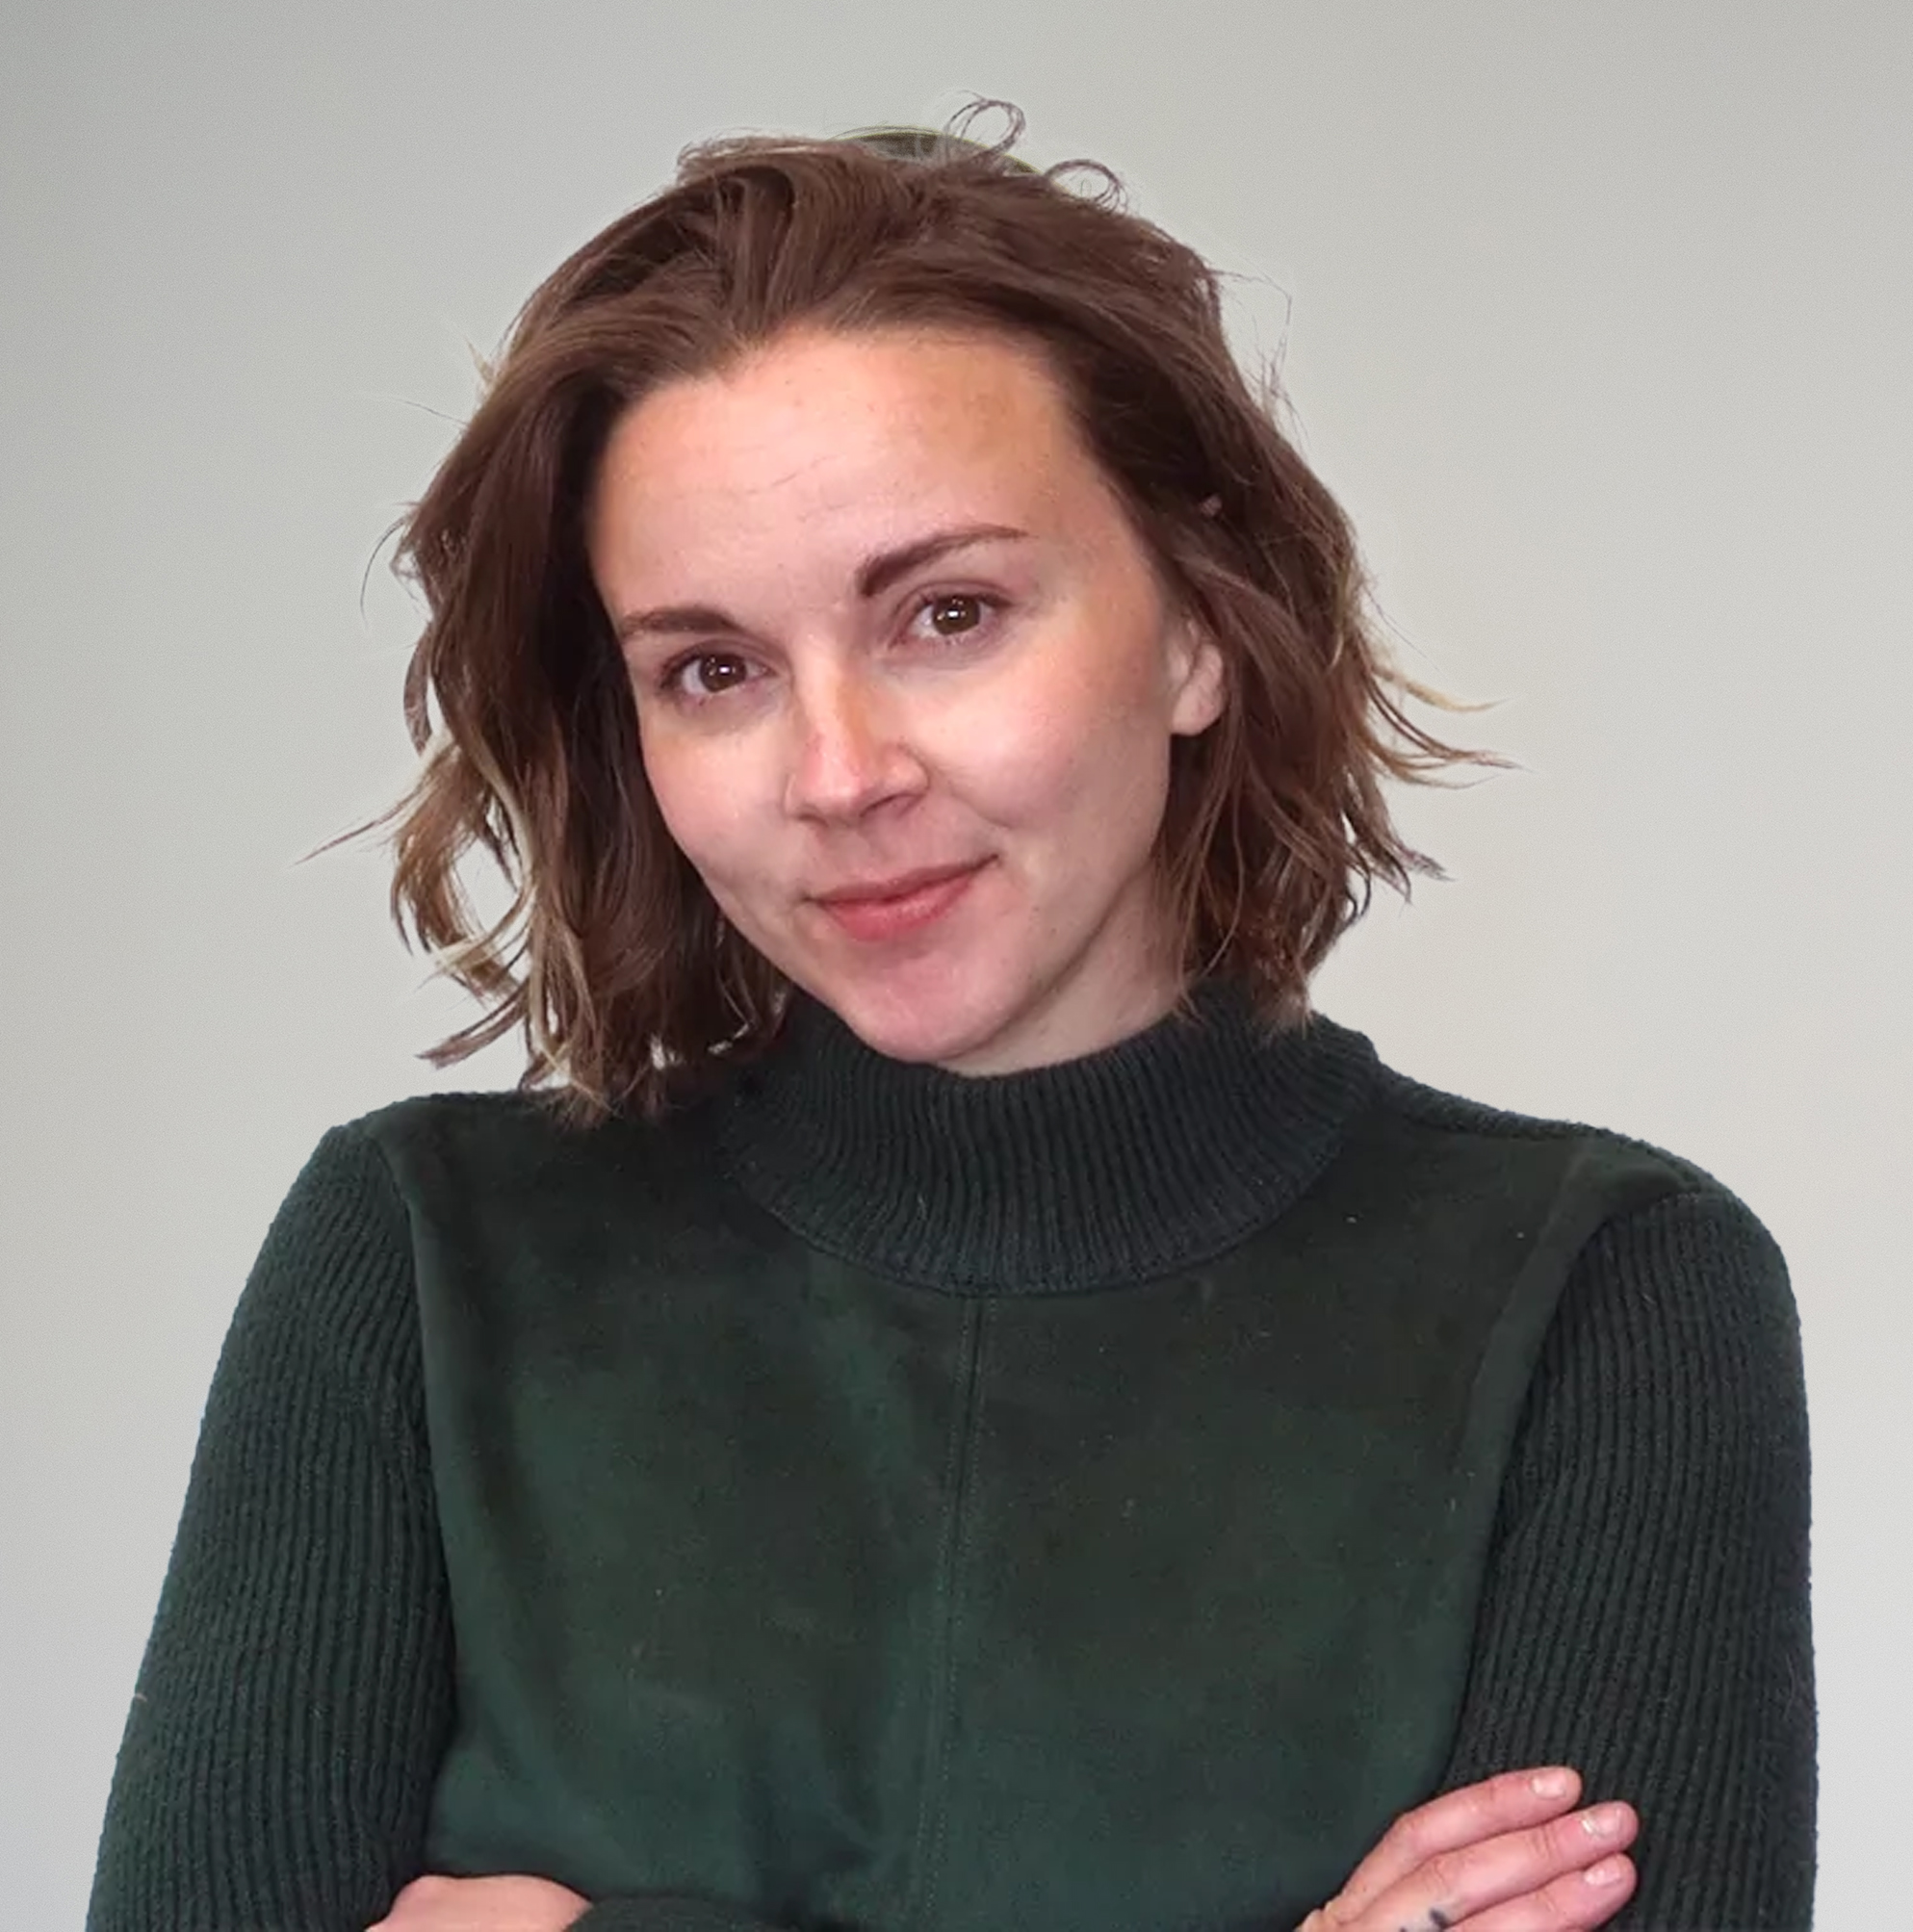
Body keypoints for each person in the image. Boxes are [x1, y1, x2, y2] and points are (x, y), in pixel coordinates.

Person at [86, 116, 1816, 1932]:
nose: (839, 775)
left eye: (949, 614)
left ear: (1197, 632)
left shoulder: (1606, 1297)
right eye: (714, 669)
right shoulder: (421, 1267)